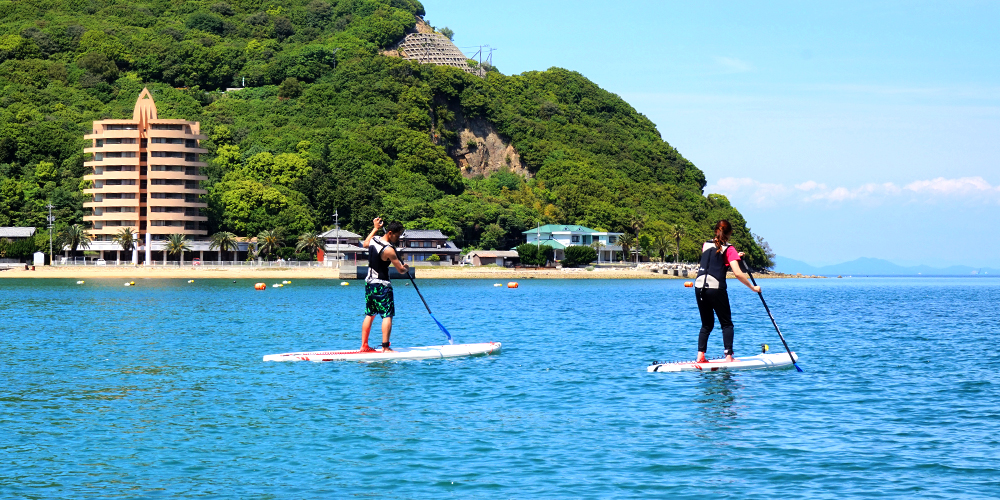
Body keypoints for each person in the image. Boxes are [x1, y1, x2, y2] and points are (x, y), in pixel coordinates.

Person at [693, 220, 761, 363]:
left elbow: (716, 263)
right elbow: (737, 273)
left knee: (706, 324)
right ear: (729, 233)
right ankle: (729, 356)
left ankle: (700, 356)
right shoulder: (729, 249)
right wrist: (753, 287)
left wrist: (735, 256)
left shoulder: (706, 245)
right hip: (716, 288)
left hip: (699, 287)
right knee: (726, 324)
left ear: (716, 231)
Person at [360, 217, 409, 352]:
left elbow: (365, 244)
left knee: (370, 314)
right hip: (382, 285)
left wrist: (375, 228)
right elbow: (400, 271)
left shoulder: (374, 240)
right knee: (387, 315)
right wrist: (406, 268)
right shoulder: (389, 250)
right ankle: (385, 348)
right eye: (397, 236)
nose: (398, 239)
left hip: (369, 283)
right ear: (390, 233)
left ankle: (364, 345)